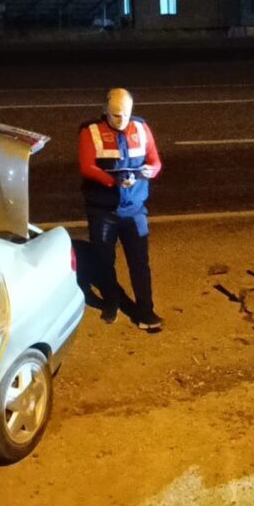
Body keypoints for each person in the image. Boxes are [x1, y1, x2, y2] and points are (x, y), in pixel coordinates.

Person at [79, 88, 163, 330]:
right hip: (103, 210)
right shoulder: (91, 131)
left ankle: (146, 311)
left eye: (125, 114)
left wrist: (150, 171)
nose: (121, 120)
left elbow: (155, 160)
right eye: (116, 115)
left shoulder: (141, 127)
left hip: (134, 208)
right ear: (105, 111)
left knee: (140, 262)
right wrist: (111, 180)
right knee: (104, 260)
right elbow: (86, 166)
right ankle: (111, 302)